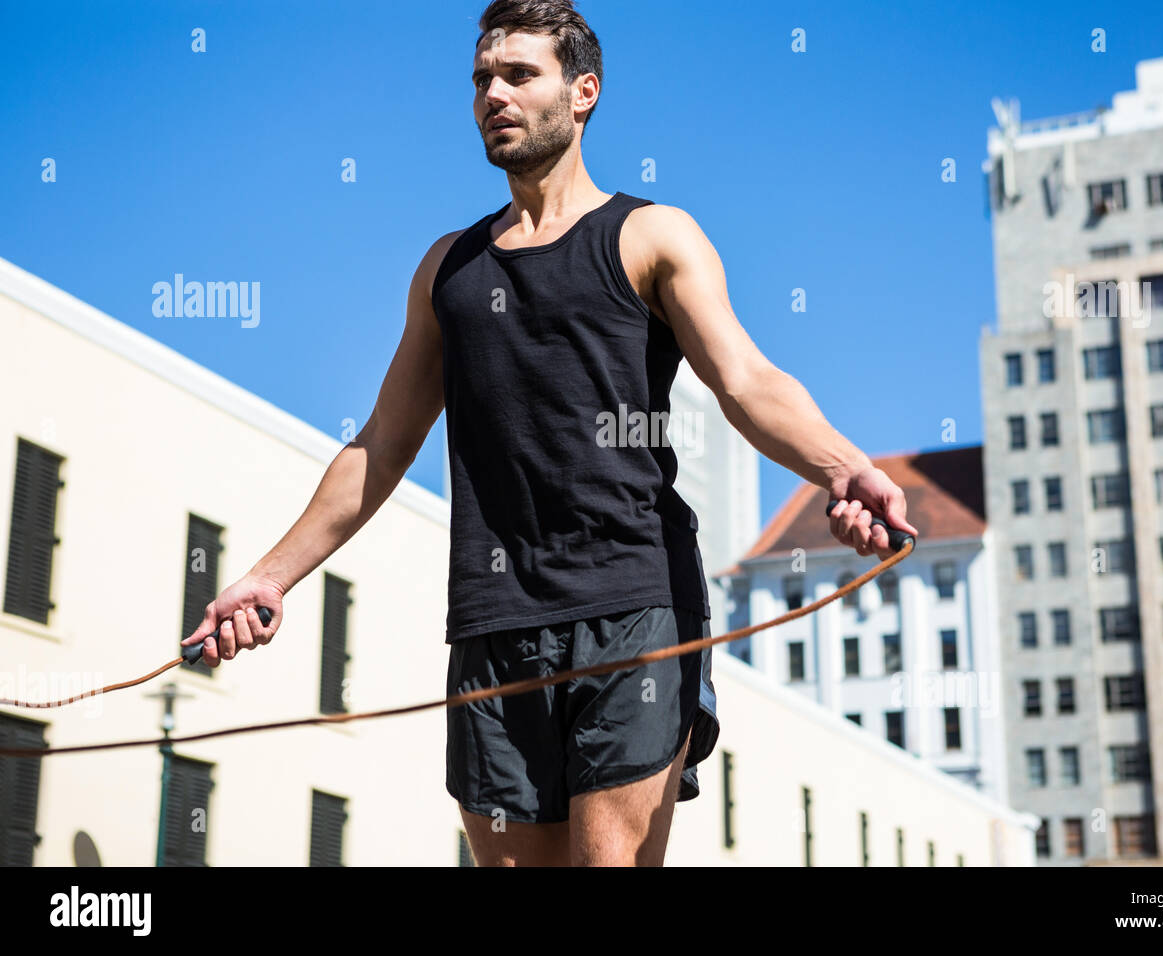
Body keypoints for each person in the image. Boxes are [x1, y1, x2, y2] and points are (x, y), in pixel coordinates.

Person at [182, 0, 917, 867]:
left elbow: (745, 380)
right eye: (481, 80)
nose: (493, 94)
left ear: (583, 93)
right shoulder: (447, 270)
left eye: (519, 75)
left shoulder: (651, 235)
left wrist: (844, 468)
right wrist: (267, 578)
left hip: (634, 606)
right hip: (493, 622)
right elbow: (382, 444)